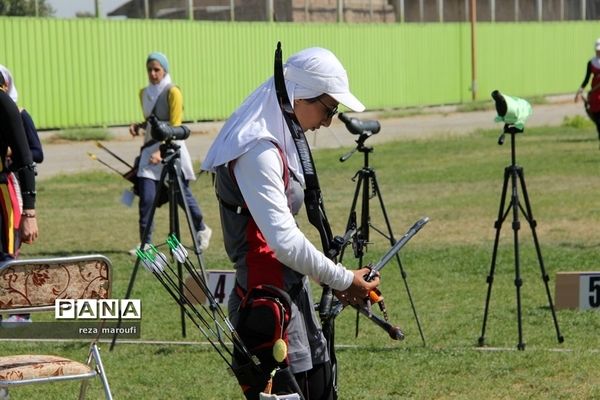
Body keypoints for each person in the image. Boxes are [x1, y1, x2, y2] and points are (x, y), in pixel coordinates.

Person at [202, 47, 380, 400]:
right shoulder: (258, 150)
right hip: (267, 304)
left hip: (287, 292)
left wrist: (338, 280)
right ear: (299, 96)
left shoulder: (277, 134)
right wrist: (343, 278)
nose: (329, 121)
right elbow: (283, 241)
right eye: (328, 109)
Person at [128, 52, 211, 255]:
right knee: (146, 197)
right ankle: (145, 243)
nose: (153, 73)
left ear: (165, 70)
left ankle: (202, 229)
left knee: (181, 194)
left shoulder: (173, 92)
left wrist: (160, 150)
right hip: (150, 150)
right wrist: (140, 126)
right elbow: (152, 121)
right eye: (150, 70)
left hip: (172, 149)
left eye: (157, 69)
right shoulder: (143, 93)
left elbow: (174, 126)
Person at [0, 65, 44, 324]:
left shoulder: (6, 105)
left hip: (3, 188)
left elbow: (29, 158)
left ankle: (20, 312)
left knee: (7, 254)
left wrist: (30, 211)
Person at [574, 38, 600, 144]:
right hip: (595, 94)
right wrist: (580, 91)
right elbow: (586, 78)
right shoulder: (591, 62)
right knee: (597, 118)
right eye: (597, 50)